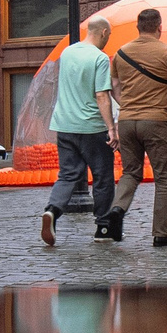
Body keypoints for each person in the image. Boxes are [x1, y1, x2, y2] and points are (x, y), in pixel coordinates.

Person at [102, 7, 167, 247]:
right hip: (156, 122)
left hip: (127, 122)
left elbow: (114, 87)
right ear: (159, 27)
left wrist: (129, 105)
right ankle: (161, 234)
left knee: (131, 172)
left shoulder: (121, 54)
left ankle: (116, 210)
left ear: (138, 27)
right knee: (164, 178)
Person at [41, 16, 116, 246]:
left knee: (68, 174)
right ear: (103, 32)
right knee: (103, 176)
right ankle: (103, 227)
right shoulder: (100, 59)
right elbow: (102, 95)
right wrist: (112, 128)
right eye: (109, 36)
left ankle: (52, 211)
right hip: (92, 127)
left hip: (64, 124)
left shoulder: (68, 53)